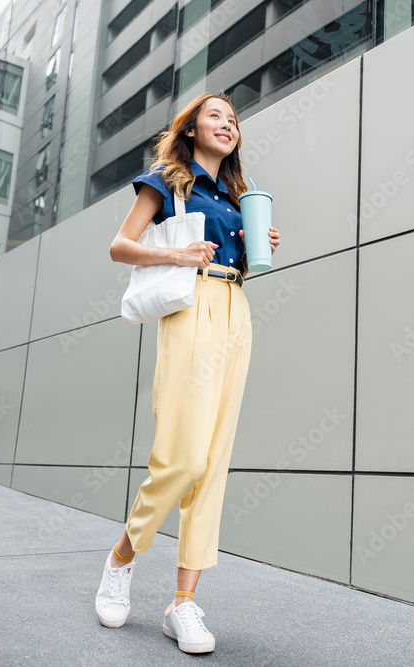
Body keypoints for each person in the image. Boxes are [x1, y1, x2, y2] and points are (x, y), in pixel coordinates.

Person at [99, 91, 280, 654]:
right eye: (215, 116)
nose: (227, 125)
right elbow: (119, 246)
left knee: (214, 463)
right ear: (191, 129)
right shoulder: (166, 180)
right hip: (189, 308)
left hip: (235, 308)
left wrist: (256, 246)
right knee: (184, 457)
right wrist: (175, 255)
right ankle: (123, 556)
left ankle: (183, 604)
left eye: (233, 120)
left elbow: (233, 258)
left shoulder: (237, 194)